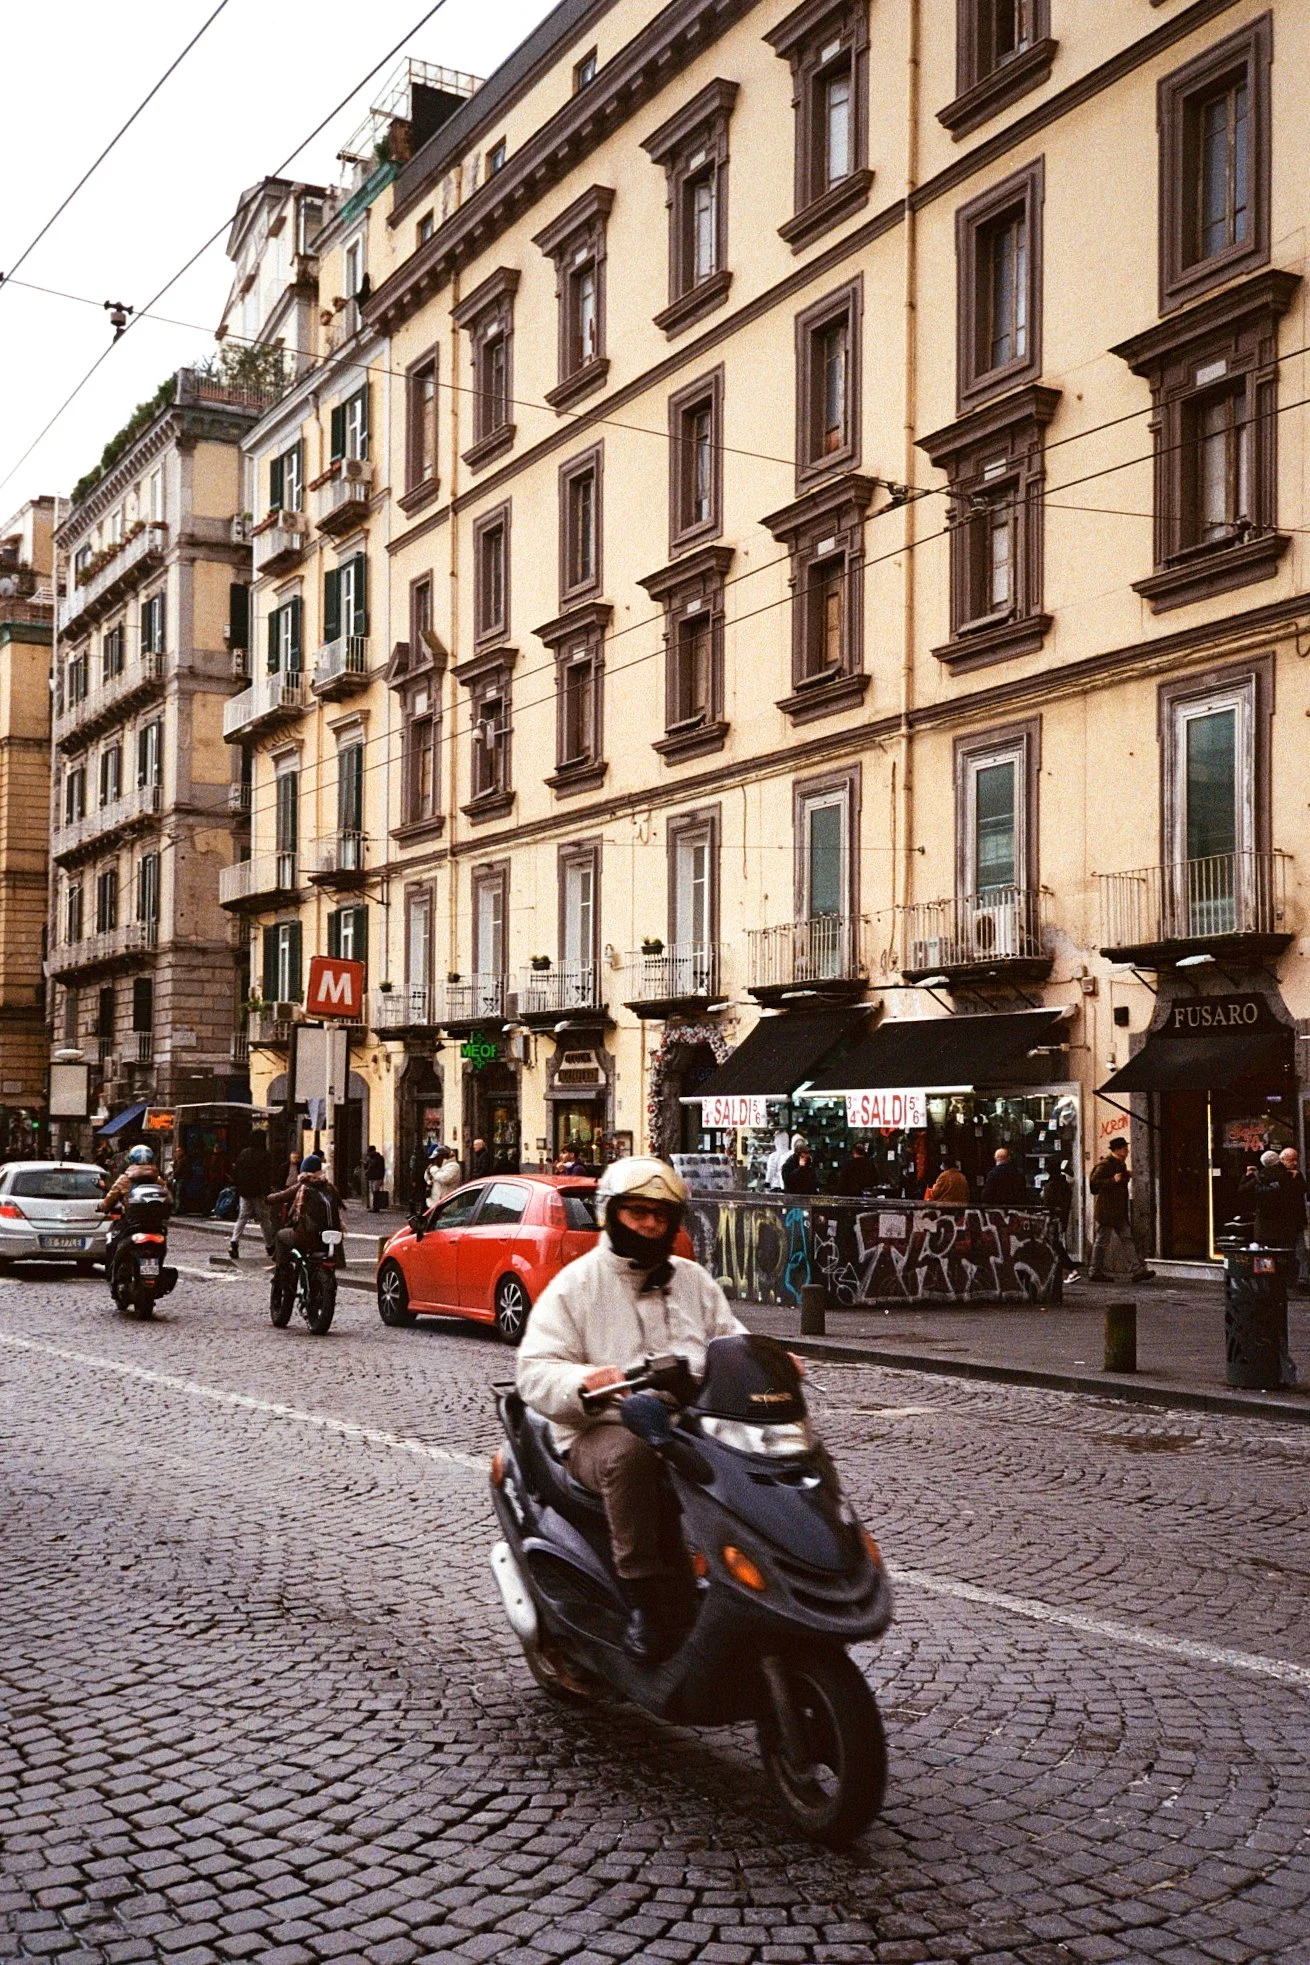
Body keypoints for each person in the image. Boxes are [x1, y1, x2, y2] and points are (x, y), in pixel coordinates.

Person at [517, 1157, 745, 1663]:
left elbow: (730, 1337)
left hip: (685, 1423)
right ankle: (645, 1599)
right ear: (611, 1214)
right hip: (601, 1427)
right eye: (637, 1212)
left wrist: (766, 1361)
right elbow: (533, 1370)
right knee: (632, 1458)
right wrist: (585, 1381)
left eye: (660, 1216)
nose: (649, 1224)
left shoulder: (692, 1279)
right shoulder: (576, 1285)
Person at [266, 1152, 345, 1291]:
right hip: (328, 1239)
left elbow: (281, 1196)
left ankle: (283, 1273)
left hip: (306, 1236)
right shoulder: (330, 1187)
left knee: (280, 1236)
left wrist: (267, 1198)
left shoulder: (303, 1185)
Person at [1087, 1137, 1154, 1282]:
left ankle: (1136, 1270)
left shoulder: (1120, 1164)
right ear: (1117, 1150)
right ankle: (1094, 1271)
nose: (1127, 1151)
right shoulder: (1105, 1165)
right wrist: (1113, 1180)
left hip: (1118, 1211)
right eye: (1124, 1149)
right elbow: (1094, 1182)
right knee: (1102, 1241)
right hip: (1107, 1211)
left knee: (1127, 1238)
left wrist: (1124, 1177)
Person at [98, 1144, 172, 1272]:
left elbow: (110, 1198)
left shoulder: (124, 1179)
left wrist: (102, 1206)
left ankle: (112, 1272)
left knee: (113, 1242)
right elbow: (169, 1198)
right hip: (155, 1223)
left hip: (131, 1221)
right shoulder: (157, 1179)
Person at [229, 1133, 275, 1262]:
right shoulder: (264, 1155)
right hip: (259, 1193)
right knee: (264, 1219)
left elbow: (236, 1172)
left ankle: (234, 1241)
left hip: (244, 1191)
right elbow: (265, 1176)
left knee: (242, 1217)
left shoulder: (243, 1154)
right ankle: (269, 1245)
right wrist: (266, 1192)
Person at [1042, 1160, 1080, 1280]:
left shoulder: (1052, 1186)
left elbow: (1048, 1204)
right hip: (1061, 1218)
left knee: (1054, 1245)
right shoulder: (1063, 1184)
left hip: (1053, 1219)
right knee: (1055, 1244)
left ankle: (1071, 1269)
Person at [1279, 1146, 1310, 1287]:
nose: (1295, 1163)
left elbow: (1304, 1189)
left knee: (1301, 1250)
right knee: (1289, 1250)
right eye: (1291, 1160)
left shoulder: (1297, 1174)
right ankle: (1290, 1278)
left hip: (1297, 1219)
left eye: (1295, 1160)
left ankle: (1303, 1277)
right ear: (1283, 1160)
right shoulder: (1279, 1174)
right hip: (1284, 1220)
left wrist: (1296, 1178)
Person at [425, 1144, 461, 1209]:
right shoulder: (437, 1167)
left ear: (443, 1157)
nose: (435, 1161)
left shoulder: (453, 1166)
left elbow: (444, 1179)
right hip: (434, 1204)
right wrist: (428, 1171)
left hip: (447, 1204)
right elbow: (426, 1179)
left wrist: (433, 1169)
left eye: (437, 1158)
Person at [363, 1144, 386, 1213]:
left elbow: (382, 1169)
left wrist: (382, 1178)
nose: (369, 1153)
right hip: (371, 1177)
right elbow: (366, 1167)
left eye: (370, 1152)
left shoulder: (379, 1158)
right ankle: (374, 1207)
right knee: (373, 1192)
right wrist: (365, 1163)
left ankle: (376, 1207)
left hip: (377, 1177)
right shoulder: (369, 1158)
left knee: (376, 1192)